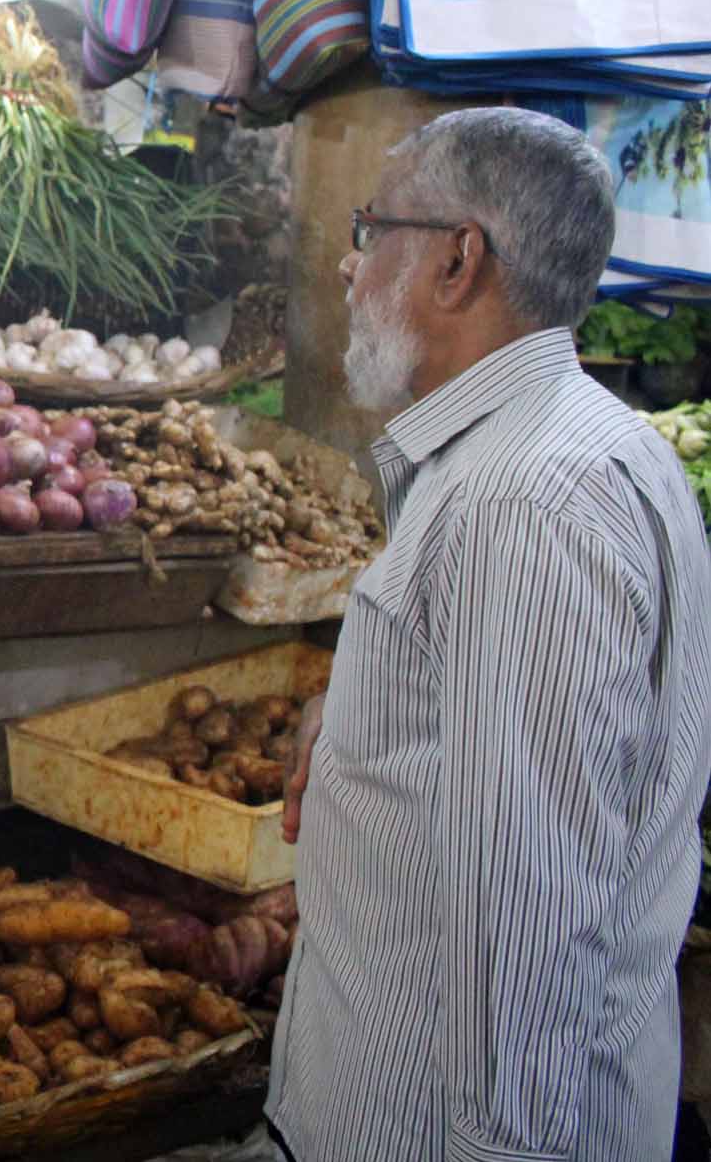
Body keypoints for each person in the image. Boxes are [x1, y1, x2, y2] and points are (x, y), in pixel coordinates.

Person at [269, 107, 711, 1161]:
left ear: (459, 261)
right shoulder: (575, 449)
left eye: (372, 229)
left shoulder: (523, 501)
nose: (347, 263)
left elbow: (531, 911)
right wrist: (360, 723)